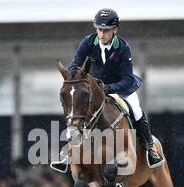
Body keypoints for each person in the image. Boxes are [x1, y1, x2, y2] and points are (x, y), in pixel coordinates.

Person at [50, 8, 163, 173]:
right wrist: (75, 77)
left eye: (106, 30)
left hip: (120, 87)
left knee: (136, 110)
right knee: (78, 111)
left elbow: (127, 79)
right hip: (95, 88)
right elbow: (75, 64)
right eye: (99, 29)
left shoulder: (123, 48)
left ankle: (150, 148)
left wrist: (109, 88)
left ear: (115, 30)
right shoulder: (87, 43)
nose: (102, 34)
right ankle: (68, 154)